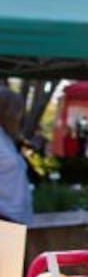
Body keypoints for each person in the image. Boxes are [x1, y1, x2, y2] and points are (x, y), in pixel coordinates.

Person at [0, 86, 32, 225]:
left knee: (13, 247)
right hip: (4, 217)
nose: (20, 115)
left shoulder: (6, 138)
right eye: (17, 109)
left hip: (14, 218)